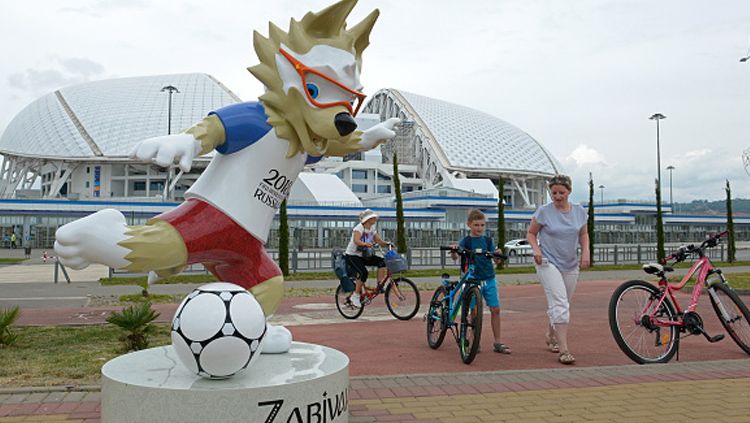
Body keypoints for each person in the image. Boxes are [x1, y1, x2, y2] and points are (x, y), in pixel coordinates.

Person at [527, 174, 590, 365]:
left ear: (569, 191)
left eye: (561, 192)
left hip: (570, 264)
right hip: (548, 262)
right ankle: (564, 350)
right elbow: (531, 233)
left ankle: (551, 335)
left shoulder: (579, 212)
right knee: (560, 304)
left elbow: (584, 234)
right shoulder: (544, 212)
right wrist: (536, 250)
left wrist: (585, 252)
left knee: (562, 303)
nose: (557, 196)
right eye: (554, 193)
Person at [450, 209, 511, 354]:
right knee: (474, 311)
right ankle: (473, 340)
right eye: (476, 225)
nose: (479, 228)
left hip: (488, 278)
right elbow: (455, 257)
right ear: (469, 225)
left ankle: (498, 342)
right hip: (472, 280)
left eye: (482, 225)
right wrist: (454, 251)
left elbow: (496, 259)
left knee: (495, 309)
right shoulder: (466, 241)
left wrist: (498, 255)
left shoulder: (488, 241)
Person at [344, 209, 390, 307]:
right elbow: (356, 240)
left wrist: (387, 244)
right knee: (363, 272)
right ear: (368, 219)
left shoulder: (372, 229)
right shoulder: (359, 228)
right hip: (353, 255)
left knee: (382, 262)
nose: (375, 219)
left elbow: (378, 240)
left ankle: (380, 285)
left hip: (364, 255)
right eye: (373, 218)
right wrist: (365, 244)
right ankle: (355, 296)